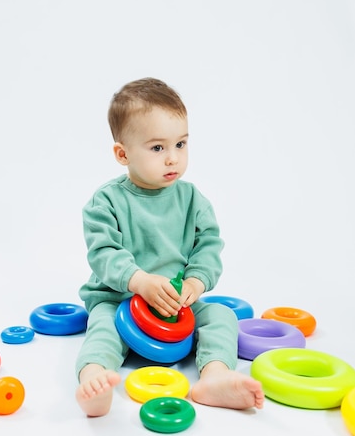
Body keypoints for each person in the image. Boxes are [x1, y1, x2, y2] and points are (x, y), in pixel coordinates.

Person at [75, 77, 264, 417]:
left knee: (221, 315)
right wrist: (139, 281)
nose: (172, 158)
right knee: (102, 328)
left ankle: (215, 377)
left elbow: (208, 248)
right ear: (123, 153)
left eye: (181, 144)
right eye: (158, 148)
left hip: (177, 307)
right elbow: (103, 253)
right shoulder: (106, 202)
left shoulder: (193, 200)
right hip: (119, 300)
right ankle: (94, 382)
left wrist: (195, 283)